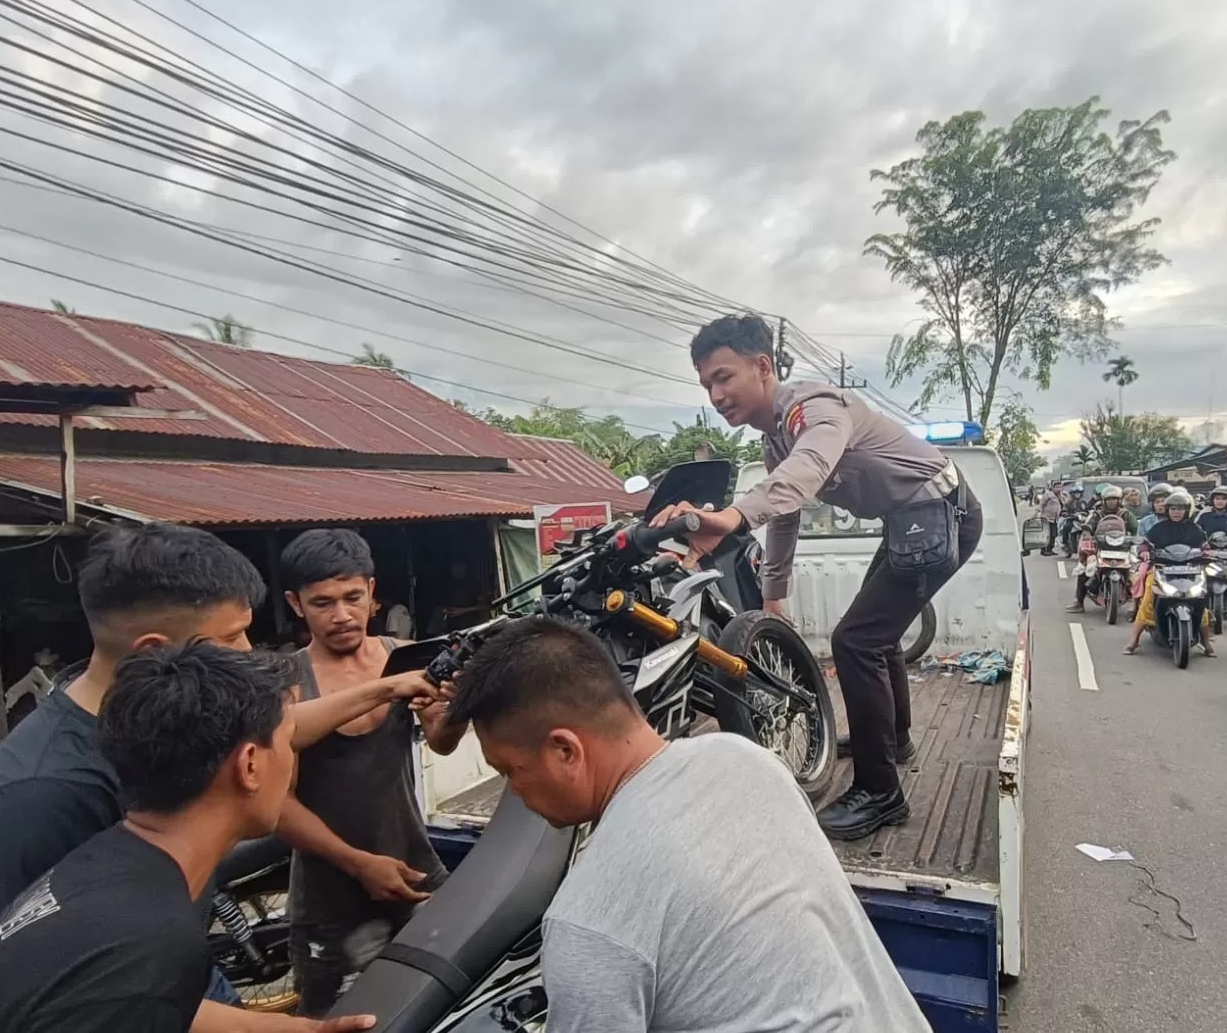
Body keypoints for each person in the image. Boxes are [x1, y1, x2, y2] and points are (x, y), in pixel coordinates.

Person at [0, 523, 422, 1032]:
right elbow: (65, 993)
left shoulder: (177, 718)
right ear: (154, 651)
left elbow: (278, 729)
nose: (249, 653)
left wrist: (386, 688)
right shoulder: (36, 799)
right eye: (230, 638)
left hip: (187, 976)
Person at [446, 616, 932, 1033]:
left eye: (510, 771)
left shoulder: (589, 923)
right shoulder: (747, 760)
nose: (512, 793)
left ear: (565, 751)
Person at [650, 316, 981, 841]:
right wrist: (772, 594)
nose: (715, 395)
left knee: (856, 641)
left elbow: (809, 467)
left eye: (723, 377)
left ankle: (880, 793)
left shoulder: (815, 408)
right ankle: (893, 742)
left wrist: (733, 517)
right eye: (706, 385)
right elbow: (786, 511)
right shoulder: (775, 442)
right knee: (876, 636)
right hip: (910, 518)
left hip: (939, 513)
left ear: (762, 367)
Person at [0, 643, 299, 1033]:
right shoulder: (151, 947)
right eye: (288, 741)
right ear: (249, 764)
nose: (291, 758)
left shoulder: (100, 862)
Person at [278, 528, 469, 1016]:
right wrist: (359, 864)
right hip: (328, 899)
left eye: (352, 598)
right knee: (339, 1019)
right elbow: (278, 803)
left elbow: (442, 744)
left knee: (439, 1006)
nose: (341, 615)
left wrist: (459, 703)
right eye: (322, 602)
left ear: (372, 593)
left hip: (414, 871)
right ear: (296, 605)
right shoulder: (287, 683)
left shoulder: (403, 656)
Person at [1123, 488, 1215, 657]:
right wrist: (1144, 552)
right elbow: (1145, 544)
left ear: (1187, 511)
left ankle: (1206, 642)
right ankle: (1134, 640)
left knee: (1201, 602)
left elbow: (1205, 546)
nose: (1176, 512)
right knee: (1148, 600)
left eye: (1180, 509)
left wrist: (1208, 553)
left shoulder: (1195, 528)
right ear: (1167, 510)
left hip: (1190, 570)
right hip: (1161, 569)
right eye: (1173, 509)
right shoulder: (1159, 528)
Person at [1066, 485, 1128, 613]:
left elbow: (1135, 528)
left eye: (1114, 499)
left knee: (1138, 572)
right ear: (1104, 500)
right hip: (1100, 548)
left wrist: (1134, 539)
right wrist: (1087, 533)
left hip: (1123, 549)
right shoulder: (1097, 514)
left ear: (1119, 500)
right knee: (1084, 569)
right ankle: (1079, 601)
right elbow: (1088, 525)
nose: (1112, 502)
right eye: (1109, 499)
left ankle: (1137, 606)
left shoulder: (1126, 514)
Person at [1039, 481, 1064, 555]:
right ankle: (1044, 550)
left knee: (1054, 534)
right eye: (1057, 487)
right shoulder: (1048, 494)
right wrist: (1038, 512)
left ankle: (1050, 549)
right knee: (1047, 534)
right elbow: (1042, 503)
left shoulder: (1060, 495)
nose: (1058, 489)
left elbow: (1064, 504)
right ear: (1053, 488)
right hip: (1046, 518)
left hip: (1055, 518)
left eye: (1060, 487)